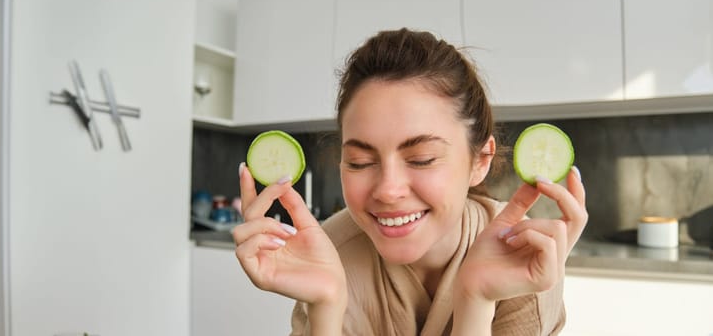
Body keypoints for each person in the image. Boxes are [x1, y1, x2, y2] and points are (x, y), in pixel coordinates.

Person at [231, 28, 588, 335]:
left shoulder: (523, 260)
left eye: (421, 159)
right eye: (361, 161)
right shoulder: (327, 254)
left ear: (480, 160)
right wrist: (325, 308)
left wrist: (476, 301)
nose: (388, 190)